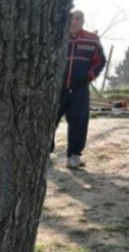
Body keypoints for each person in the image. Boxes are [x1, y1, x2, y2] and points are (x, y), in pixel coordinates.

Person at [54, 10, 106, 168]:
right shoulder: (57, 37)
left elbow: (100, 61)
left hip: (80, 89)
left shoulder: (92, 40)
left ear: (83, 21)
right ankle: (45, 151)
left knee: (78, 121)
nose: (73, 22)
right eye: (71, 19)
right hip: (57, 89)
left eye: (77, 19)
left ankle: (74, 156)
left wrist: (89, 75)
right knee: (49, 119)